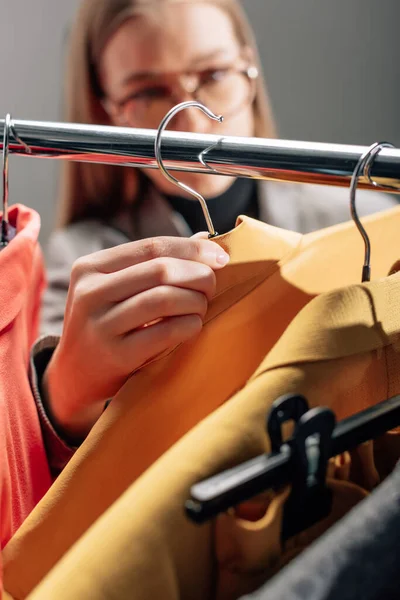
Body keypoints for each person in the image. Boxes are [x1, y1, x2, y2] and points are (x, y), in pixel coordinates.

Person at [42, 0, 397, 336]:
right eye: (148, 93)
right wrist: (73, 381)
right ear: (105, 112)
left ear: (249, 70)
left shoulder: (370, 221)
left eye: (213, 75)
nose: (194, 124)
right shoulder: (80, 262)